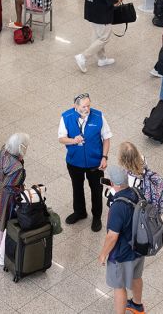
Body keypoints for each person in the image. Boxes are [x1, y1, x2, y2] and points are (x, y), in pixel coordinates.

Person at [58, 91, 112, 232]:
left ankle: (97, 217)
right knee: (77, 187)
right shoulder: (66, 117)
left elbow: (106, 138)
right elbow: (61, 138)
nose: (86, 109)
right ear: (75, 106)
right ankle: (80, 212)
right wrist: (73, 140)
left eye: (88, 105)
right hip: (74, 162)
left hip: (95, 163)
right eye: (83, 106)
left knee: (96, 189)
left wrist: (104, 157)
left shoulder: (99, 116)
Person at [99, 165, 146, 314]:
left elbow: (112, 236)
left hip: (122, 254)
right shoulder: (137, 192)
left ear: (113, 184)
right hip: (139, 247)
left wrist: (103, 254)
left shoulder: (118, 206)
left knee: (119, 287)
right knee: (136, 276)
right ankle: (137, 306)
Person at [75, 0, 127, 72]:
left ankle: (102, 59)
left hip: (90, 11)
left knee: (97, 37)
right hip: (102, 16)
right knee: (104, 39)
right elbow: (115, 3)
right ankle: (83, 57)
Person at [0, 133, 29, 264]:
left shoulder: (3, 150)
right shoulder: (18, 168)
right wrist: (23, 189)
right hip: (10, 199)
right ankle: (2, 257)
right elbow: (13, 185)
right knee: (9, 225)